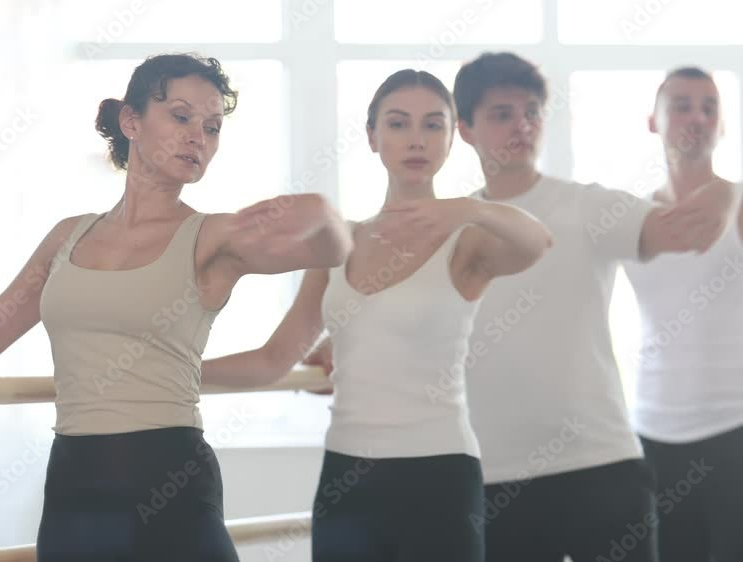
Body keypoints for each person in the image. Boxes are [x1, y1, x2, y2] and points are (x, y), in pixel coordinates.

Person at [0, 53, 353, 562]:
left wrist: (320, 212)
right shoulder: (67, 237)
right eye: (181, 116)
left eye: (212, 127)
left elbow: (332, 248)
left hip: (171, 484)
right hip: (74, 487)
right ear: (131, 121)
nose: (198, 137)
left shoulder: (213, 237)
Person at [201, 69, 552, 561]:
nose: (416, 139)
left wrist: (469, 209)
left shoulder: (467, 241)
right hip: (347, 478)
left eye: (433, 124)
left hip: (440, 475)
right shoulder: (339, 242)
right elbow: (274, 358)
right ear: (371, 136)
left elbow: (538, 241)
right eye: (398, 123)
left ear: (452, 138)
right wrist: (173, 373)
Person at [444, 52, 734, 562]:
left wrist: (728, 193)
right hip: (494, 474)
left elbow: (687, 231)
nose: (522, 125)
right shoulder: (453, 230)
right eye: (502, 114)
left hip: (603, 465)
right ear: (465, 128)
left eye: (531, 112)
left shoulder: (590, 206)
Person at [622, 66, 743, 562]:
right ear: (653, 121)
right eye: (683, 106)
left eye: (709, 107)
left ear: (722, 125)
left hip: (735, 427)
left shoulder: (739, 204)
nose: (697, 117)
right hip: (654, 433)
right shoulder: (632, 218)